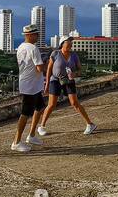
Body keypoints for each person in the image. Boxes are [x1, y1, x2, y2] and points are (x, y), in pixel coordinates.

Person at [38, 35, 97, 135]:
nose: (70, 44)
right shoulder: (55, 53)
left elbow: (79, 70)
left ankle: (90, 124)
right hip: (55, 80)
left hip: (69, 80)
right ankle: (42, 126)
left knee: (74, 103)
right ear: (62, 44)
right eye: (68, 42)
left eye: (71, 43)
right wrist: (47, 83)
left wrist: (75, 74)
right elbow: (49, 69)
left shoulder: (74, 55)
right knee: (51, 105)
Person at [11, 24, 46, 153]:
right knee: (25, 114)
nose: (37, 36)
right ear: (29, 35)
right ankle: (16, 141)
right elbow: (39, 68)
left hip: (31, 84)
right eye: (35, 34)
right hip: (30, 86)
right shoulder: (33, 48)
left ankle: (31, 135)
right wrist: (46, 64)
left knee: (40, 107)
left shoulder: (21, 47)